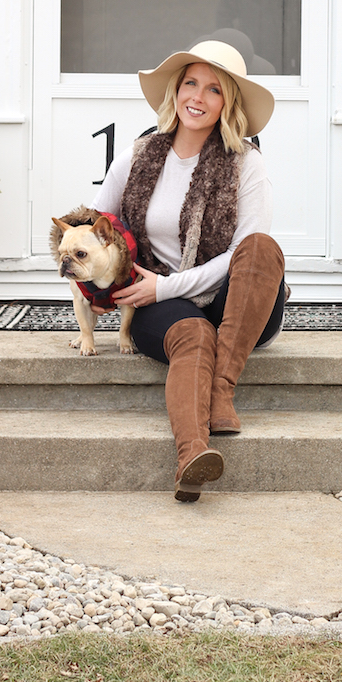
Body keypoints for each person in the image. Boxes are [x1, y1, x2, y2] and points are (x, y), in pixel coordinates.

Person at [92, 39, 286, 502]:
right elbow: (93, 227)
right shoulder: (138, 156)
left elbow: (242, 251)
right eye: (191, 84)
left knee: (261, 248)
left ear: (229, 103)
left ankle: (221, 391)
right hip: (158, 300)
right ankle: (192, 459)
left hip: (236, 301)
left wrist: (168, 286)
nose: (198, 98)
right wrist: (99, 284)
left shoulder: (247, 163)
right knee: (195, 335)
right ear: (175, 91)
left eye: (214, 89)